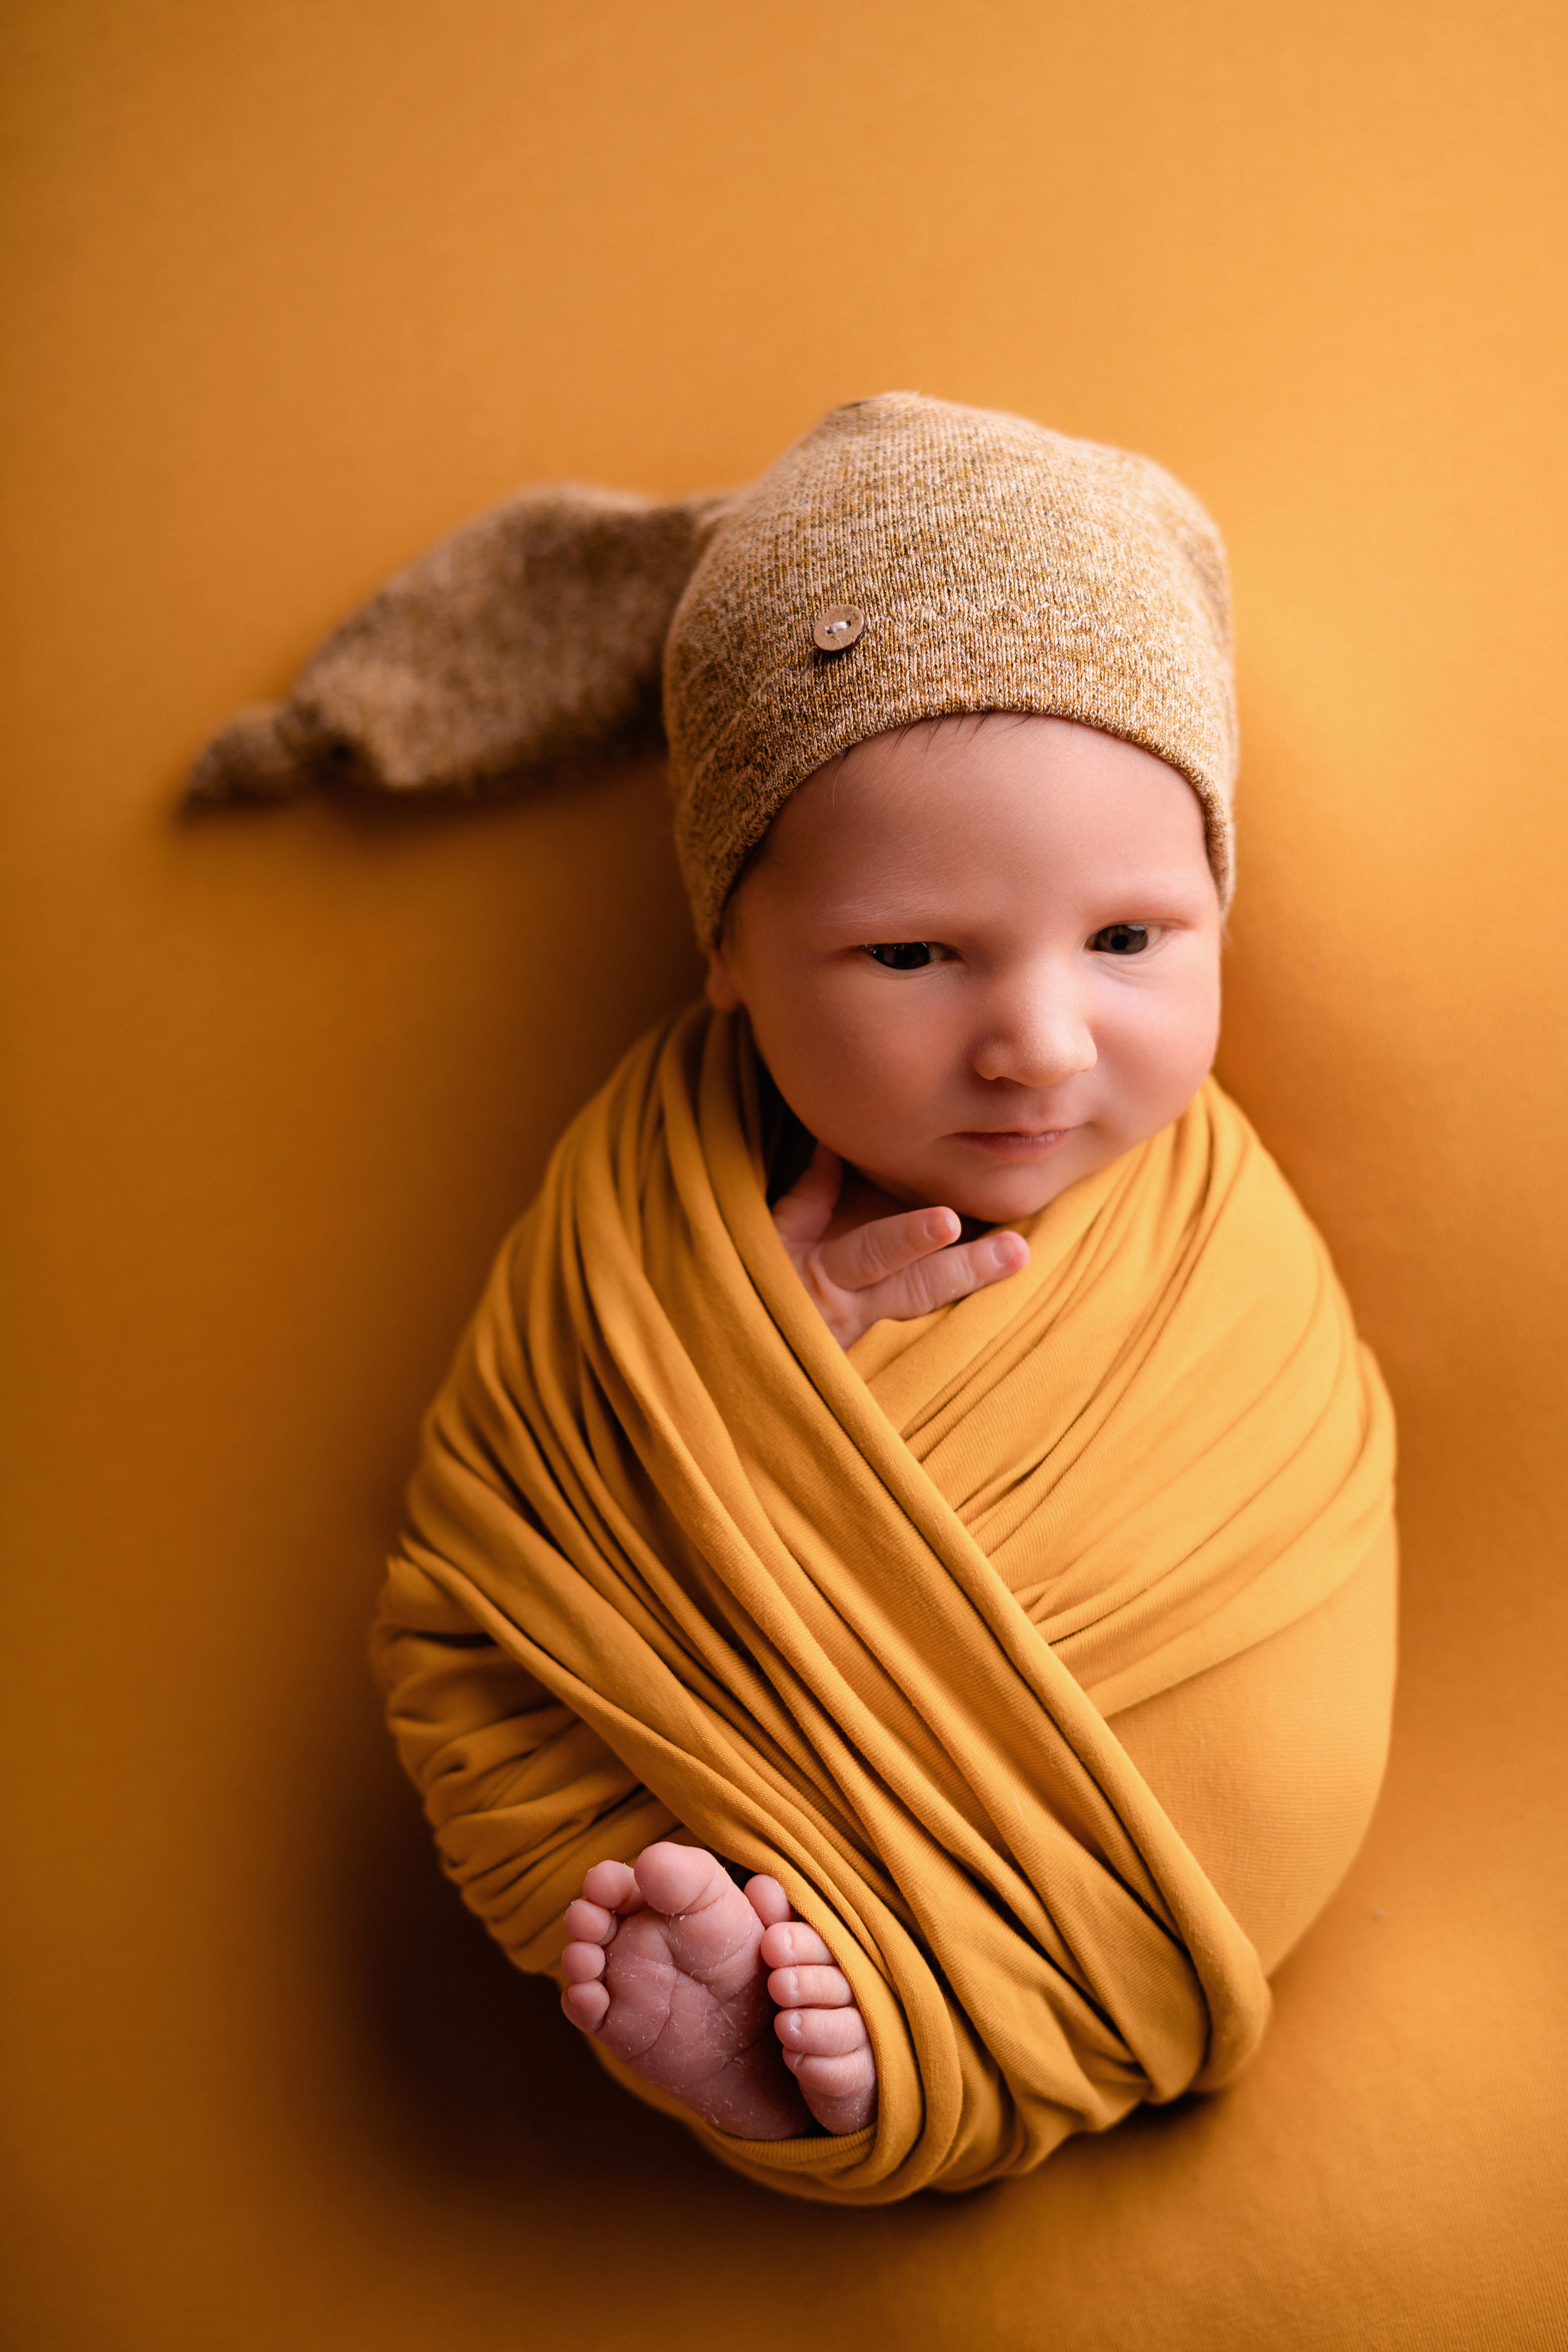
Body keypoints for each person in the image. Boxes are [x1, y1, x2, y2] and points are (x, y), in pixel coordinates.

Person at [372, 395, 1397, 2202]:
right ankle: (810, 2030)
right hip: (761, 1781)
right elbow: (499, 1553)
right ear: (731, 958)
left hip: (1173, 1820)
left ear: (1219, 906)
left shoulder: (1201, 1219)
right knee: (606, 1818)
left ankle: (944, 1999)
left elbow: (1288, 1460)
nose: (1042, 1040)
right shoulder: (651, 1205)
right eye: (914, 955)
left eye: (1133, 939)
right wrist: (734, 1363)